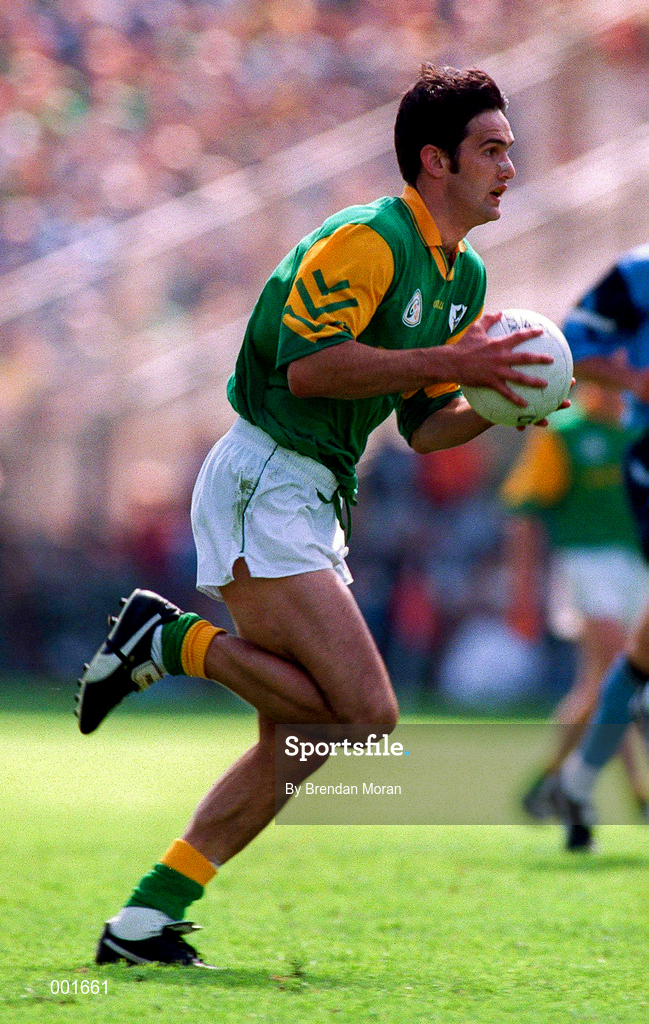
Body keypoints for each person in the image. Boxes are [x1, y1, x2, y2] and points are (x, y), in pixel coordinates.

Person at [76, 64, 560, 968]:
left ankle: (145, 918)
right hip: (265, 474)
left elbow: (420, 428)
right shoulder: (369, 240)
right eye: (490, 150)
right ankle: (169, 643)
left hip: (311, 493)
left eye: (509, 149)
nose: (508, 166)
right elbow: (308, 368)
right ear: (433, 161)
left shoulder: (462, 275)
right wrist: (450, 358)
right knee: (366, 716)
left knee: (305, 739)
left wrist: (496, 404)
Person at [500, 383, 649, 829]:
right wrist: (522, 594)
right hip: (585, 564)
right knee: (621, 674)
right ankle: (639, 795)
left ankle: (548, 782)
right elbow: (524, 513)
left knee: (596, 687)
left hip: (638, 567)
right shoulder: (562, 431)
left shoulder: (638, 428)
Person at [547, 244, 649, 850]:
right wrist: (637, 378)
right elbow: (567, 345)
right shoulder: (637, 275)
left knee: (641, 653)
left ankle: (577, 782)